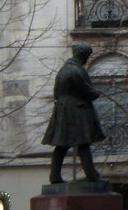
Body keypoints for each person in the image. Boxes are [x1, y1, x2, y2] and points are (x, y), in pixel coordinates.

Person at [41, 43, 106, 184]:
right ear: (82, 55)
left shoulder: (64, 69)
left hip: (65, 109)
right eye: (87, 56)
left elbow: (56, 93)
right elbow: (86, 90)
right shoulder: (75, 70)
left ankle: (55, 176)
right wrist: (96, 93)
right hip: (75, 110)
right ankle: (91, 175)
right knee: (83, 142)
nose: (87, 59)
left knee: (63, 145)